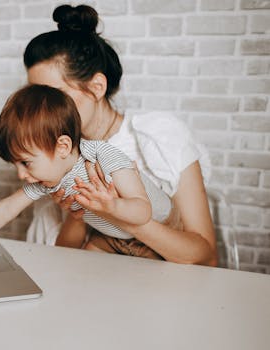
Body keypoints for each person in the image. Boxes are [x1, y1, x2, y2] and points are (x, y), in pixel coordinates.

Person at [23, 4, 217, 266]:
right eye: (34, 97)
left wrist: (122, 216)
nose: (39, 111)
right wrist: (79, 210)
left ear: (96, 87)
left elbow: (206, 259)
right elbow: (64, 258)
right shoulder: (54, 152)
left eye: (53, 96)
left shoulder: (159, 136)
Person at [0, 84, 178, 266]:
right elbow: (7, 207)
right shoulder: (49, 179)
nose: (21, 174)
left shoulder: (102, 156)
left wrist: (110, 205)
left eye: (26, 163)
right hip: (110, 238)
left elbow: (143, 212)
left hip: (158, 231)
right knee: (78, 275)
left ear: (62, 147)